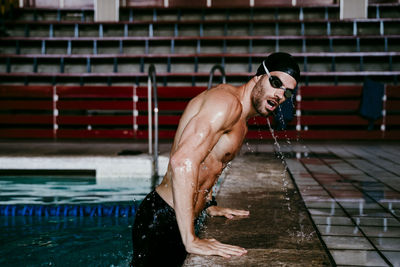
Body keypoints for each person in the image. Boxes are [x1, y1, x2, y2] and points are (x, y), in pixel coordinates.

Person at [131, 52, 300, 266]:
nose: (280, 95)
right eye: (276, 83)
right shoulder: (226, 103)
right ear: (258, 76)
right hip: (163, 218)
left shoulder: (241, 118)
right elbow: (182, 162)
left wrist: (207, 203)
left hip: (176, 217)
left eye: (287, 92)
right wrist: (190, 240)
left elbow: (210, 161)